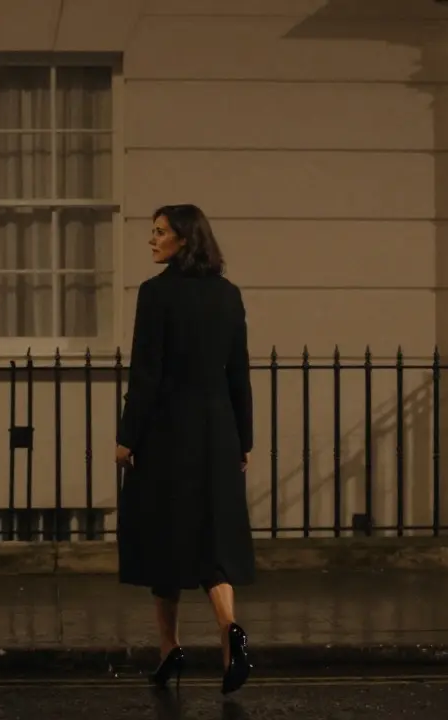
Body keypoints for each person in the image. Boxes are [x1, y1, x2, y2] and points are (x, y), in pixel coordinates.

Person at [115, 203, 256, 695]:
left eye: (159, 233)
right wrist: (246, 439)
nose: (151, 241)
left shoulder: (156, 295)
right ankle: (228, 635)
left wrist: (127, 435)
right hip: (217, 431)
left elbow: (146, 374)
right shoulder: (228, 295)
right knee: (211, 538)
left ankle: (170, 646)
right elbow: (238, 374)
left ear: (184, 239)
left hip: (167, 431)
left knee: (164, 536)